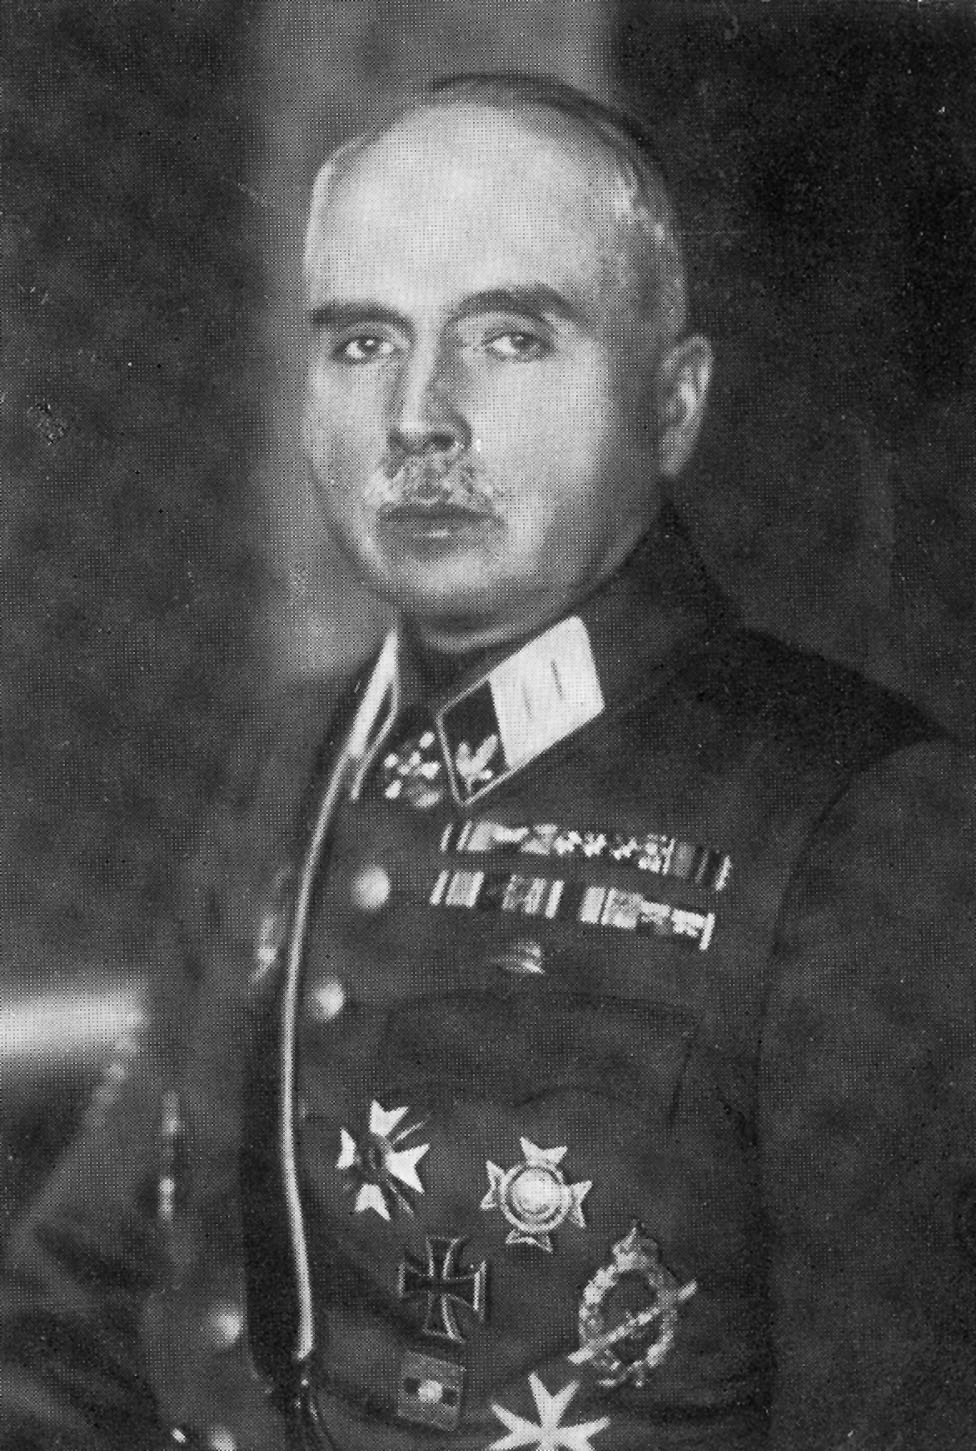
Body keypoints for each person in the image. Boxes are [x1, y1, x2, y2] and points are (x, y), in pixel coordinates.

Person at [2, 70, 976, 1451]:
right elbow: (83, 1306)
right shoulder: (298, 754)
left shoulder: (861, 816)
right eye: (362, 343)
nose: (420, 415)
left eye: (510, 338)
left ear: (672, 405)